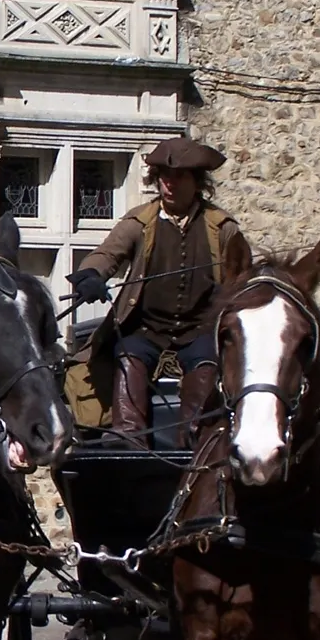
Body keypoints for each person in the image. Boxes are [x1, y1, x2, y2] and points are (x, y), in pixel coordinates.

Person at [66, 135, 242, 449]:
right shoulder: (140, 222)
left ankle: (196, 442)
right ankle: (128, 438)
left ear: (197, 182)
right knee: (129, 357)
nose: (169, 184)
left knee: (206, 369)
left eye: (179, 177)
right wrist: (91, 275)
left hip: (199, 331)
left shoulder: (222, 227)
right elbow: (107, 254)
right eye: (164, 177)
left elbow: (241, 276)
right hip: (145, 329)